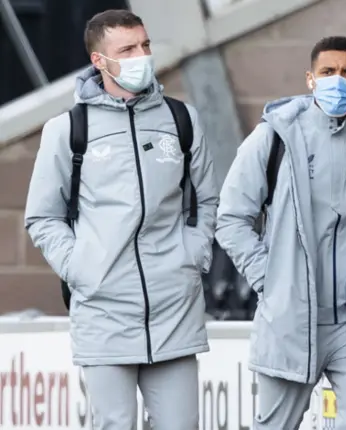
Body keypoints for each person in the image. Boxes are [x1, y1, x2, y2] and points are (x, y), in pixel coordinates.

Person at [216, 36, 346, 429]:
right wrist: (271, 279)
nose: (337, 80)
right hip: (291, 318)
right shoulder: (275, 136)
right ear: (310, 78)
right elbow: (231, 218)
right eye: (327, 72)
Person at [24, 9, 217, 430]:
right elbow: (42, 216)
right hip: (103, 311)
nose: (141, 55)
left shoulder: (181, 120)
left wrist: (193, 255)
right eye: (127, 48)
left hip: (175, 310)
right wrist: (82, 269)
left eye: (144, 45)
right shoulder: (68, 129)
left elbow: (206, 201)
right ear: (100, 61)